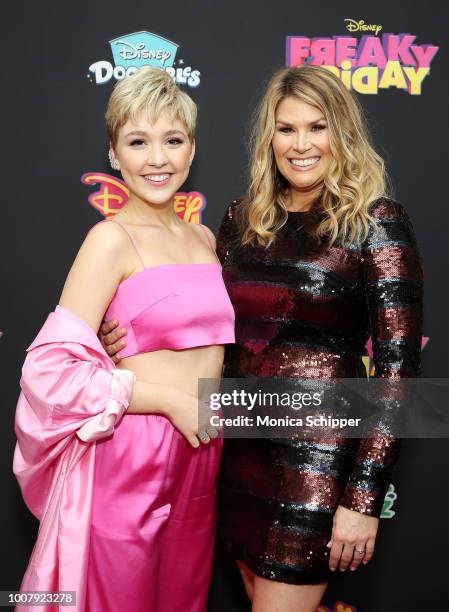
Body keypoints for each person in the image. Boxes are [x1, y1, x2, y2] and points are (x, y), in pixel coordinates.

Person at [100, 65, 423, 612]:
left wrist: (362, 498)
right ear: (268, 136)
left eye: (317, 128)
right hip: (235, 456)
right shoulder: (243, 220)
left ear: (341, 132)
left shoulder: (376, 222)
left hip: (317, 465)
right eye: (286, 128)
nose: (301, 145)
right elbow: (205, 322)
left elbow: (398, 368)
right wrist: (131, 337)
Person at [13, 66, 235, 612]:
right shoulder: (109, 240)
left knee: (180, 600)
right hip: (132, 451)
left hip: (202, 451)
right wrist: (169, 399)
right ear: (114, 153)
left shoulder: (205, 238)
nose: (157, 158)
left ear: (192, 149)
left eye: (172, 140)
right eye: (138, 142)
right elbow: (49, 369)